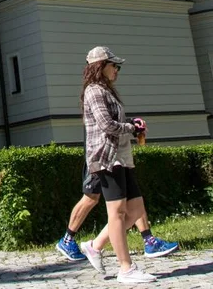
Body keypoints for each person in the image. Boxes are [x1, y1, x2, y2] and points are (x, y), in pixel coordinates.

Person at [57, 46, 156, 283]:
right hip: (107, 158)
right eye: (115, 66)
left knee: (136, 209)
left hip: (121, 156)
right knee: (118, 213)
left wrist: (131, 123)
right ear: (101, 67)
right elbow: (106, 124)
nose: (117, 70)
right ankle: (126, 268)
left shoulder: (106, 91)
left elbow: (115, 122)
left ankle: (96, 244)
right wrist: (132, 128)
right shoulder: (94, 91)